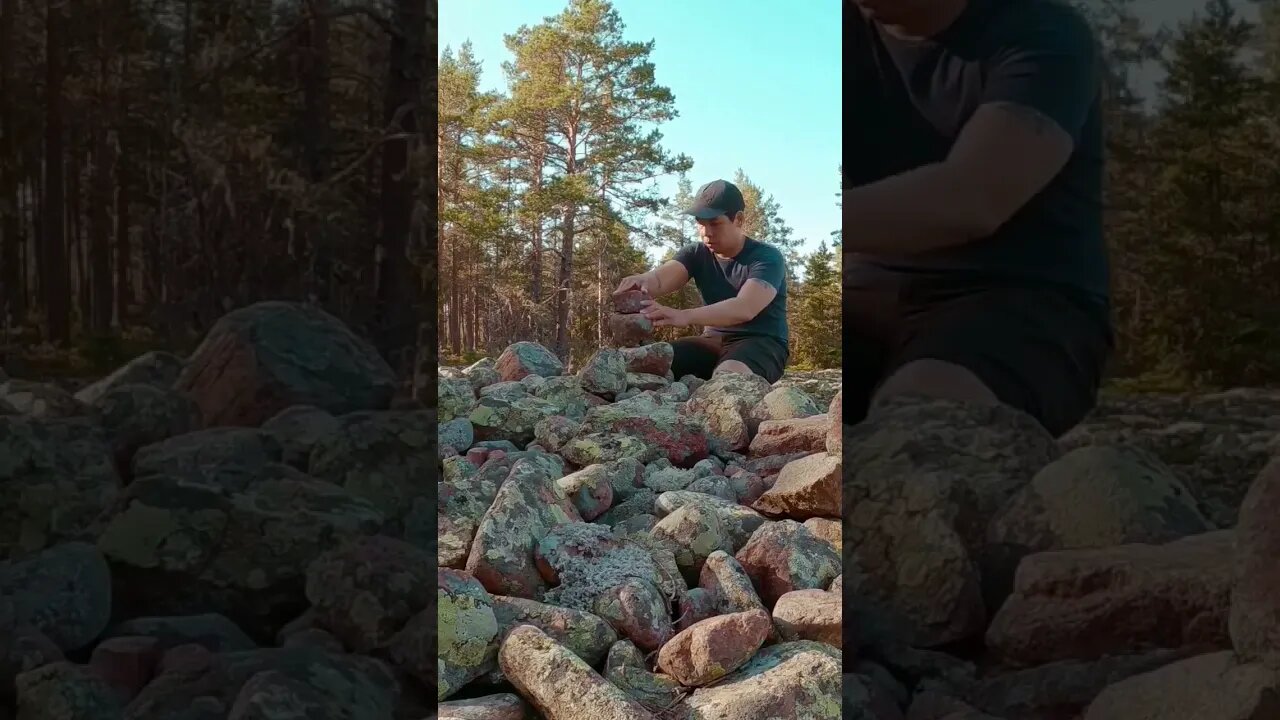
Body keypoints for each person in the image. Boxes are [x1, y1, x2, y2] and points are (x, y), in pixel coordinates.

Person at [843, 0, 1114, 438]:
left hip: (1023, 297)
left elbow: (972, 197)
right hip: (867, 290)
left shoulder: (1043, 33)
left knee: (923, 422)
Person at [615, 179, 791, 384]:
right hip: (711, 342)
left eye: (715, 223)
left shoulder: (766, 257)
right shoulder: (697, 253)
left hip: (762, 343)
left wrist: (683, 316)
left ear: (739, 219)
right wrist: (642, 281)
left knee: (728, 381)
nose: (706, 232)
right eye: (700, 223)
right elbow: (660, 279)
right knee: (650, 363)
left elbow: (744, 307)